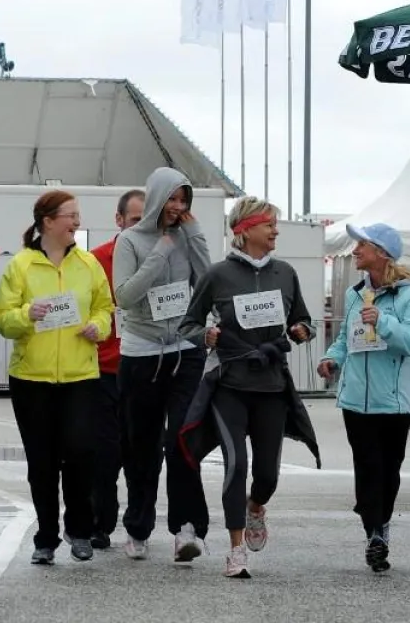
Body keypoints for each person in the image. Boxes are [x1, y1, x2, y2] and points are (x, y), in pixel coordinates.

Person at [178, 197, 320, 579]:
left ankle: (256, 507)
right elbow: (187, 325)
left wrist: (303, 330)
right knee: (235, 464)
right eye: (269, 224)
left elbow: (305, 320)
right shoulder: (218, 274)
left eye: (276, 224)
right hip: (230, 385)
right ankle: (236, 550)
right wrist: (205, 335)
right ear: (245, 230)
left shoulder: (285, 273)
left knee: (268, 476)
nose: (276, 230)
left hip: (272, 385)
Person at [0, 189, 114, 565]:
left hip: (80, 377)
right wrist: (28, 314)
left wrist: (97, 326)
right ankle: (46, 535)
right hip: (32, 379)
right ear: (48, 221)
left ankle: (79, 530)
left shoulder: (88, 264)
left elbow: (105, 309)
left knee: (80, 454)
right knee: (41, 462)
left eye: (77, 216)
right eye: (70, 216)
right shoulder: (22, 266)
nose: (77, 223)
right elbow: (1, 317)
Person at [317, 222, 410, 573]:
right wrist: (331, 358)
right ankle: (375, 534)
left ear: (381, 252)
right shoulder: (353, 294)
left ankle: (378, 521)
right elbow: (346, 339)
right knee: (367, 466)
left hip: (393, 403)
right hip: (356, 401)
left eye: (361, 246)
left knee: (388, 470)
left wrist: (383, 322)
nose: (355, 252)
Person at [112, 167, 211, 563]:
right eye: (172, 198)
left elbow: (206, 284)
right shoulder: (130, 240)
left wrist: (197, 237)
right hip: (142, 355)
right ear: (156, 198)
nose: (178, 206)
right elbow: (126, 296)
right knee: (142, 445)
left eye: (183, 199)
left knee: (182, 440)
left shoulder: (188, 236)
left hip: (185, 350)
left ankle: (187, 527)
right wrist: (160, 252)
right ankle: (138, 527)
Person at [87, 188, 145, 549]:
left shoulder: (159, 259)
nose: (141, 227)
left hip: (146, 370)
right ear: (119, 220)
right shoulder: (95, 261)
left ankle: (139, 525)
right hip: (103, 371)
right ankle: (99, 522)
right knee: (103, 453)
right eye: (136, 220)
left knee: (142, 454)